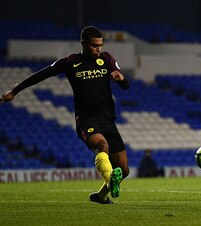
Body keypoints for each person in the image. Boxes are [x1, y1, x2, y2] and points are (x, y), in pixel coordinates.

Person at [0, 26, 130, 204]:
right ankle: (109, 180)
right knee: (102, 145)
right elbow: (41, 75)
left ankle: (101, 196)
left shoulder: (106, 59)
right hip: (86, 119)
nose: (98, 49)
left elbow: (125, 85)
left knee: (124, 170)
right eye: (94, 45)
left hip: (108, 120)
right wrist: (15, 91)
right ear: (83, 44)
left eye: (100, 45)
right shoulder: (70, 62)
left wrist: (122, 79)